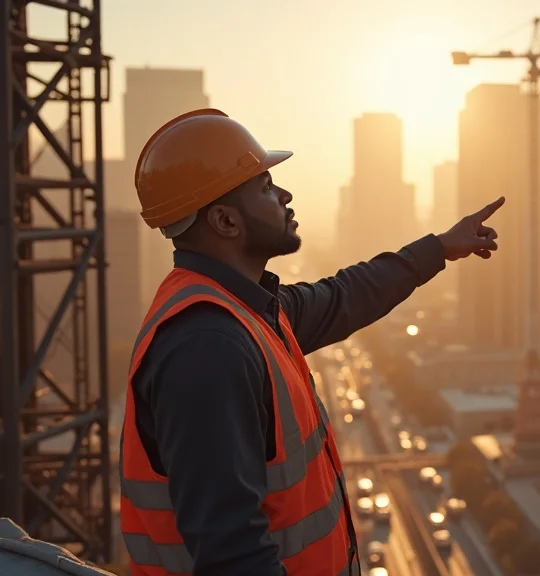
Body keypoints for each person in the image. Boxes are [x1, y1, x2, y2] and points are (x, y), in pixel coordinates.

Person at [118, 109, 504, 576]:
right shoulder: (208, 346)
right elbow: (234, 557)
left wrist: (439, 247)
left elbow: (347, 294)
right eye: (264, 187)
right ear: (224, 220)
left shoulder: (251, 312)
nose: (285, 195)